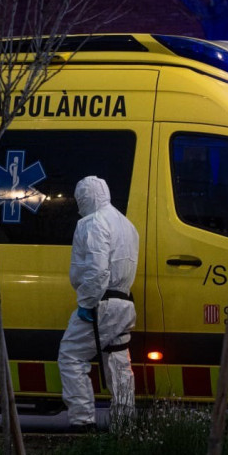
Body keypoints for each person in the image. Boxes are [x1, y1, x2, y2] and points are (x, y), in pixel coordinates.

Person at [57, 176, 139, 433]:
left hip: (100, 302)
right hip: (124, 303)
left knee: (71, 355)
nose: (79, 204)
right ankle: (124, 426)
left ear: (87, 197)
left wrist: (87, 303)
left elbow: (96, 269)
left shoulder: (92, 223)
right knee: (118, 361)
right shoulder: (127, 225)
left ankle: (82, 422)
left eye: (80, 199)